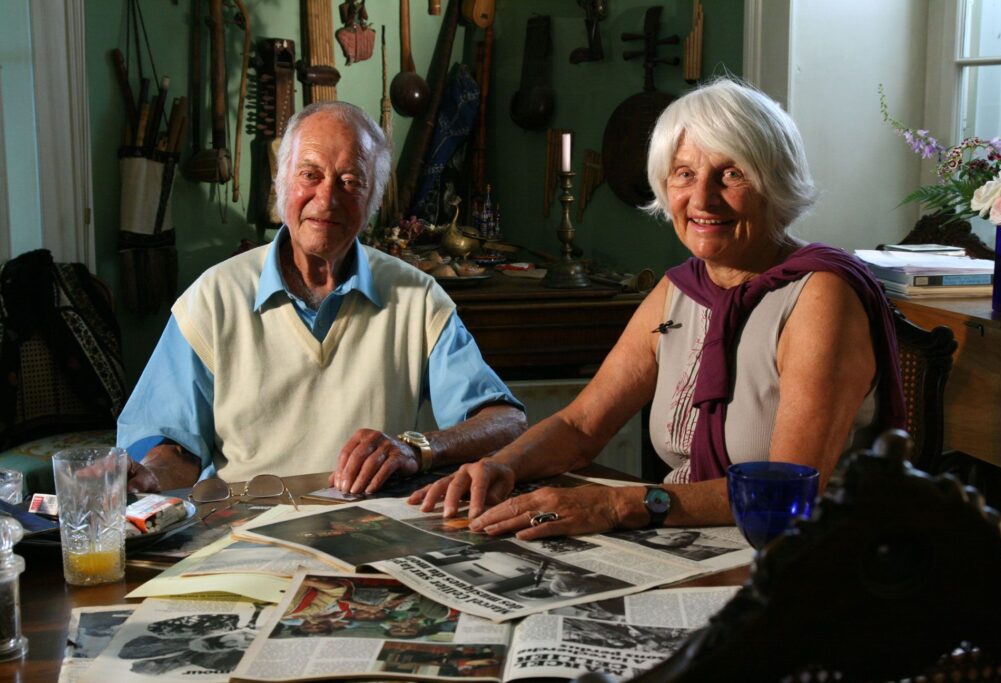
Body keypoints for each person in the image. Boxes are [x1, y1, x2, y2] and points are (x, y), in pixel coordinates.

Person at [411, 78, 905, 537]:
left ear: (775, 181)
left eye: (731, 173)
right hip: (689, 540)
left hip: (804, 556)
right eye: (684, 174)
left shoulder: (820, 294)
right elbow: (581, 425)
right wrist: (504, 463)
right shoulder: (679, 290)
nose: (702, 199)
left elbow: (784, 494)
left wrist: (615, 505)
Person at [118, 100, 526, 493]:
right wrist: (151, 476)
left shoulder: (417, 298)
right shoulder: (213, 298)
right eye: (309, 175)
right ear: (280, 183)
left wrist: (419, 448)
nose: (327, 199)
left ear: (374, 198)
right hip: (242, 538)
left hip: (370, 534)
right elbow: (173, 448)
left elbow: (505, 420)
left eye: (350, 181)